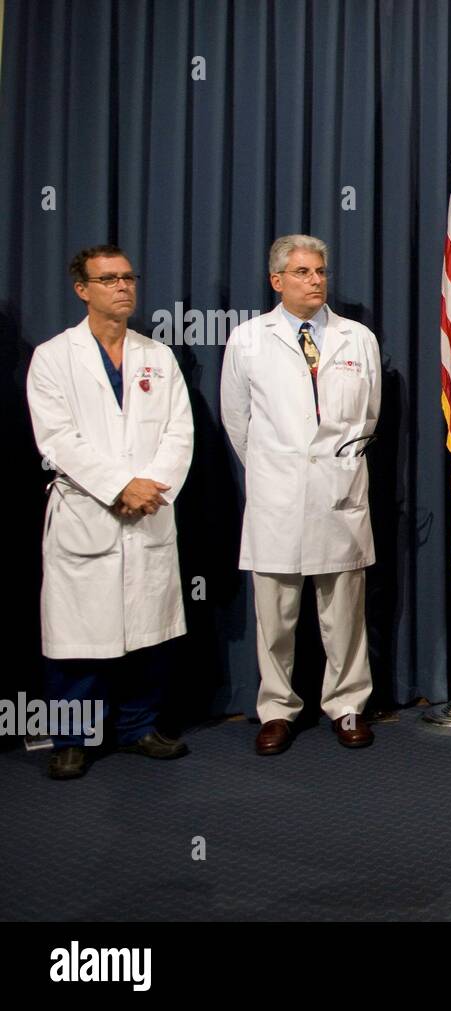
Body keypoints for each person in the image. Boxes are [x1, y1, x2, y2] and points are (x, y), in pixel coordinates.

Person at [27, 244, 195, 779]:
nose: (123, 287)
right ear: (83, 290)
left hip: (148, 510)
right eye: (108, 280)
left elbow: (179, 432)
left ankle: (140, 726)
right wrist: (120, 485)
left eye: (128, 277)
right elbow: (57, 439)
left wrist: (150, 488)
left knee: (149, 631)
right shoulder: (54, 357)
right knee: (77, 637)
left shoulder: (158, 356)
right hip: (87, 510)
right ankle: (71, 739)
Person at [220, 234, 382, 755]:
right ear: (277, 281)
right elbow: (237, 421)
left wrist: (331, 468)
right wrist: (280, 469)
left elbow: (369, 416)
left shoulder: (357, 338)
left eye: (320, 272)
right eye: (303, 272)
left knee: (344, 612)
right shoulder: (247, 340)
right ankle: (277, 709)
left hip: (339, 492)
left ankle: (348, 704)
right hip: (277, 494)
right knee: (276, 613)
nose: (315, 281)